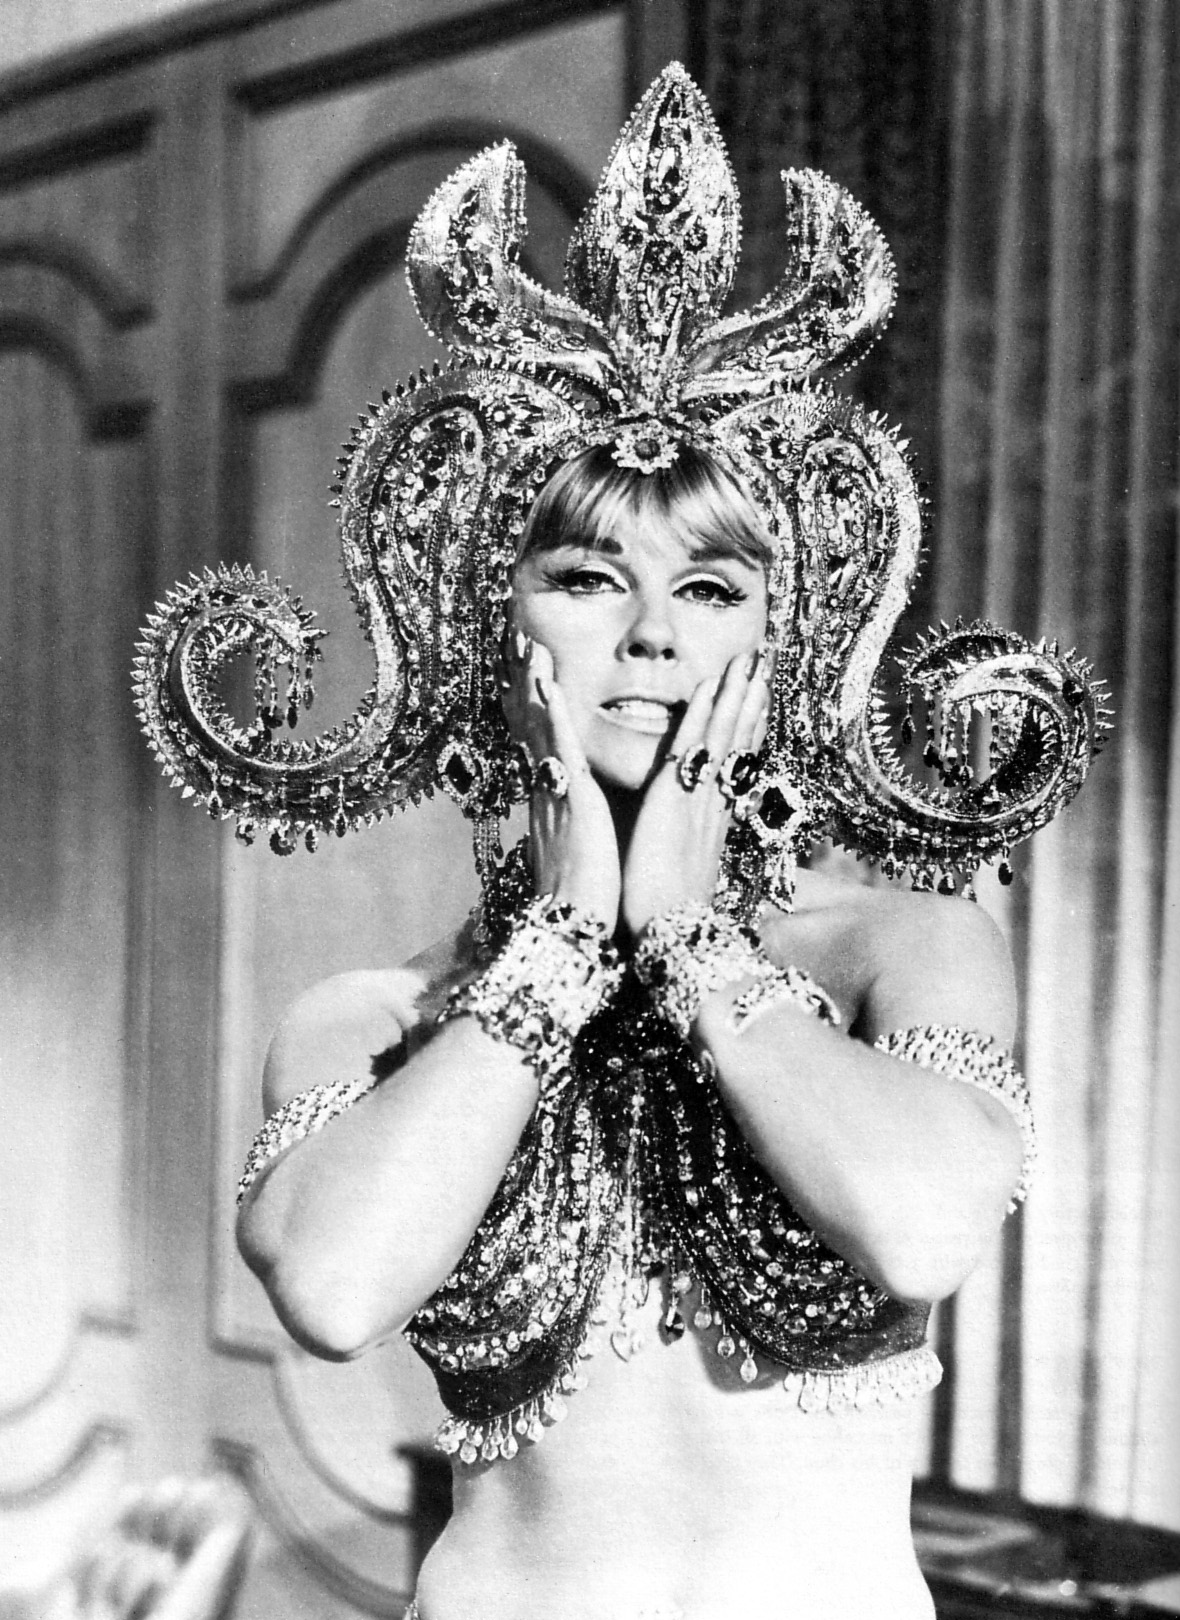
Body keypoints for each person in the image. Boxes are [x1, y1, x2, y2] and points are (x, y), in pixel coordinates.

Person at [135, 63, 1104, 1620]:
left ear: (784, 642)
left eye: (709, 589)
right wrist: (570, 939)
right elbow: (333, 1288)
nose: (652, 635)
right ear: (489, 625)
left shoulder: (902, 950)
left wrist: (695, 938)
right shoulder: (373, 1020)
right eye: (588, 579)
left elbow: (922, 1229)